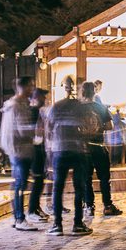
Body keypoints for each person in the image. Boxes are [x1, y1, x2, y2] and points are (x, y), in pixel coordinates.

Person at [44, 88, 93, 236]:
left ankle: (57, 224)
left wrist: (50, 147)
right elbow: (90, 127)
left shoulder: (56, 106)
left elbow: (48, 129)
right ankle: (78, 223)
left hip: (59, 149)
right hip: (78, 150)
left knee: (58, 188)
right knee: (79, 187)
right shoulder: (82, 107)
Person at [0, 76, 40, 231]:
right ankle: (20, 218)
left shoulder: (12, 105)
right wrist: (36, 134)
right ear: (22, 87)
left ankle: (18, 217)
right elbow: (23, 129)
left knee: (18, 183)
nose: (32, 89)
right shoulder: (18, 106)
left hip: (15, 149)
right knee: (20, 184)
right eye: (31, 86)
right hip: (21, 149)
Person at [78, 82, 122, 217]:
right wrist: (98, 128)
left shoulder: (77, 109)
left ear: (82, 92)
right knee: (104, 178)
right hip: (99, 147)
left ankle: (89, 206)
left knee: (86, 179)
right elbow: (110, 125)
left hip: (84, 149)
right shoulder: (100, 107)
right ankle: (107, 206)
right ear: (94, 92)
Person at [26, 88, 51, 221]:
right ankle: (31, 210)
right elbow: (33, 132)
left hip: (39, 148)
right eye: (42, 97)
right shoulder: (33, 112)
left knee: (40, 180)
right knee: (38, 180)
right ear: (36, 98)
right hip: (34, 150)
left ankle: (35, 207)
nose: (44, 100)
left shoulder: (38, 112)